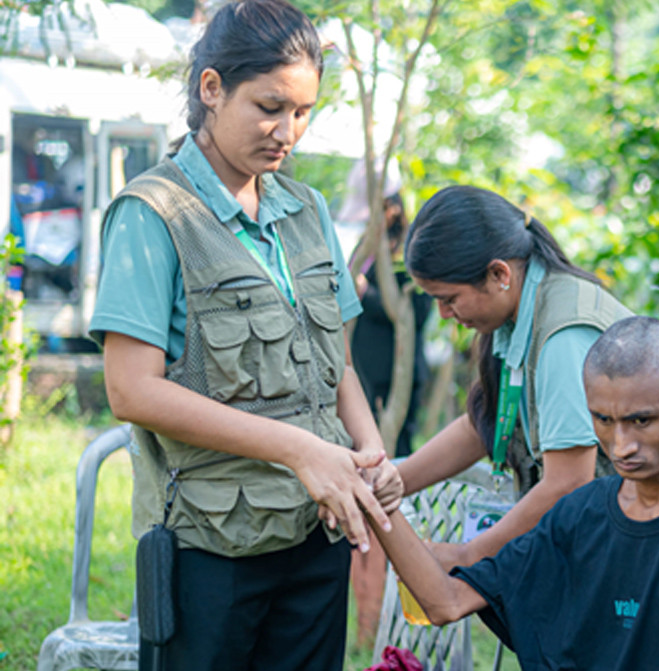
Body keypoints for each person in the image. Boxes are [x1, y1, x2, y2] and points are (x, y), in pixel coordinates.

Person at [89, 1, 401, 668]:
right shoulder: (153, 215)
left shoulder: (307, 208)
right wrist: (298, 449)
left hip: (317, 536)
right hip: (212, 548)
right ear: (211, 89)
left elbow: (335, 361)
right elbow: (131, 390)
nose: (286, 131)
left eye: (303, 112)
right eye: (269, 106)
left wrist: (369, 451)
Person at [398, 185, 659, 572]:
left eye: (449, 298)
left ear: (499, 273)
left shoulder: (563, 334)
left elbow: (566, 484)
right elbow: (482, 424)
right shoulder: (520, 313)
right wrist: (395, 482)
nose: (444, 313)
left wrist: (468, 555)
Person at [372, 316, 659, 670]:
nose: (620, 445)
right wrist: (375, 501)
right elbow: (445, 602)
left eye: (641, 421)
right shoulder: (578, 516)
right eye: (603, 419)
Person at [348, 192, 433, 648]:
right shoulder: (361, 268)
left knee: (378, 509)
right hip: (361, 402)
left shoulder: (406, 275)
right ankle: (363, 629)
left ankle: (371, 628)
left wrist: (370, 291)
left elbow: (409, 314)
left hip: (392, 403)